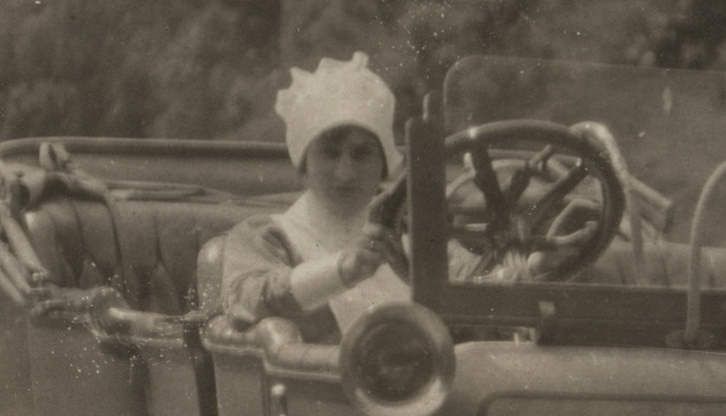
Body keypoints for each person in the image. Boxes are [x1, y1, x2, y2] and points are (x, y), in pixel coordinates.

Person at [221, 52, 592, 343]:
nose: (346, 172)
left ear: (385, 161)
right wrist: (344, 269)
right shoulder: (265, 237)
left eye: (362, 153)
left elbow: (470, 281)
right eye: (330, 153)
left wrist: (535, 265)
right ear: (302, 161)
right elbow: (246, 299)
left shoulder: (414, 227)